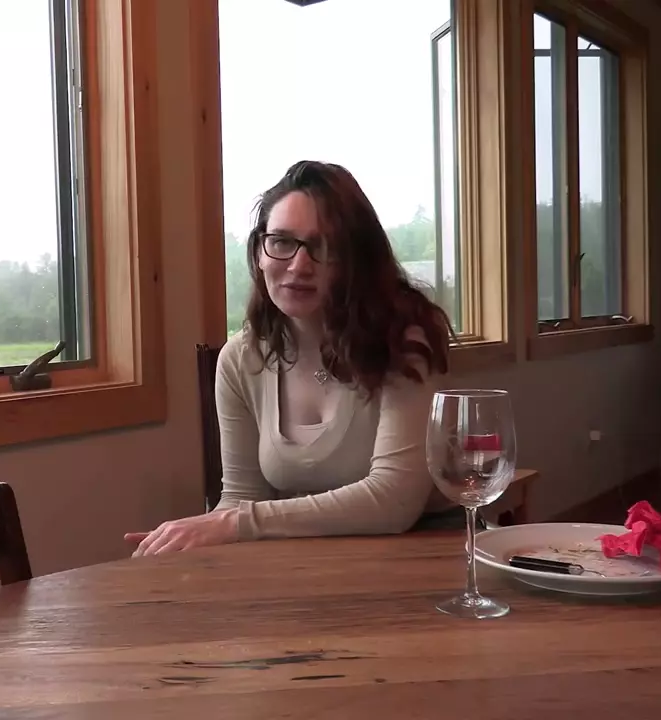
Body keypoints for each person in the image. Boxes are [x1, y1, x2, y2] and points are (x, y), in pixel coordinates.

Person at [125, 160, 457, 557]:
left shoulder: (405, 341)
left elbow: (393, 501)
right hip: (309, 562)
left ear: (356, 261)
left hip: (425, 556)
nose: (299, 266)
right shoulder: (240, 360)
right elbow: (242, 498)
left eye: (324, 247)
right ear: (259, 253)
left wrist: (235, 523)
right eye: (282, 242)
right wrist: (181, 540)